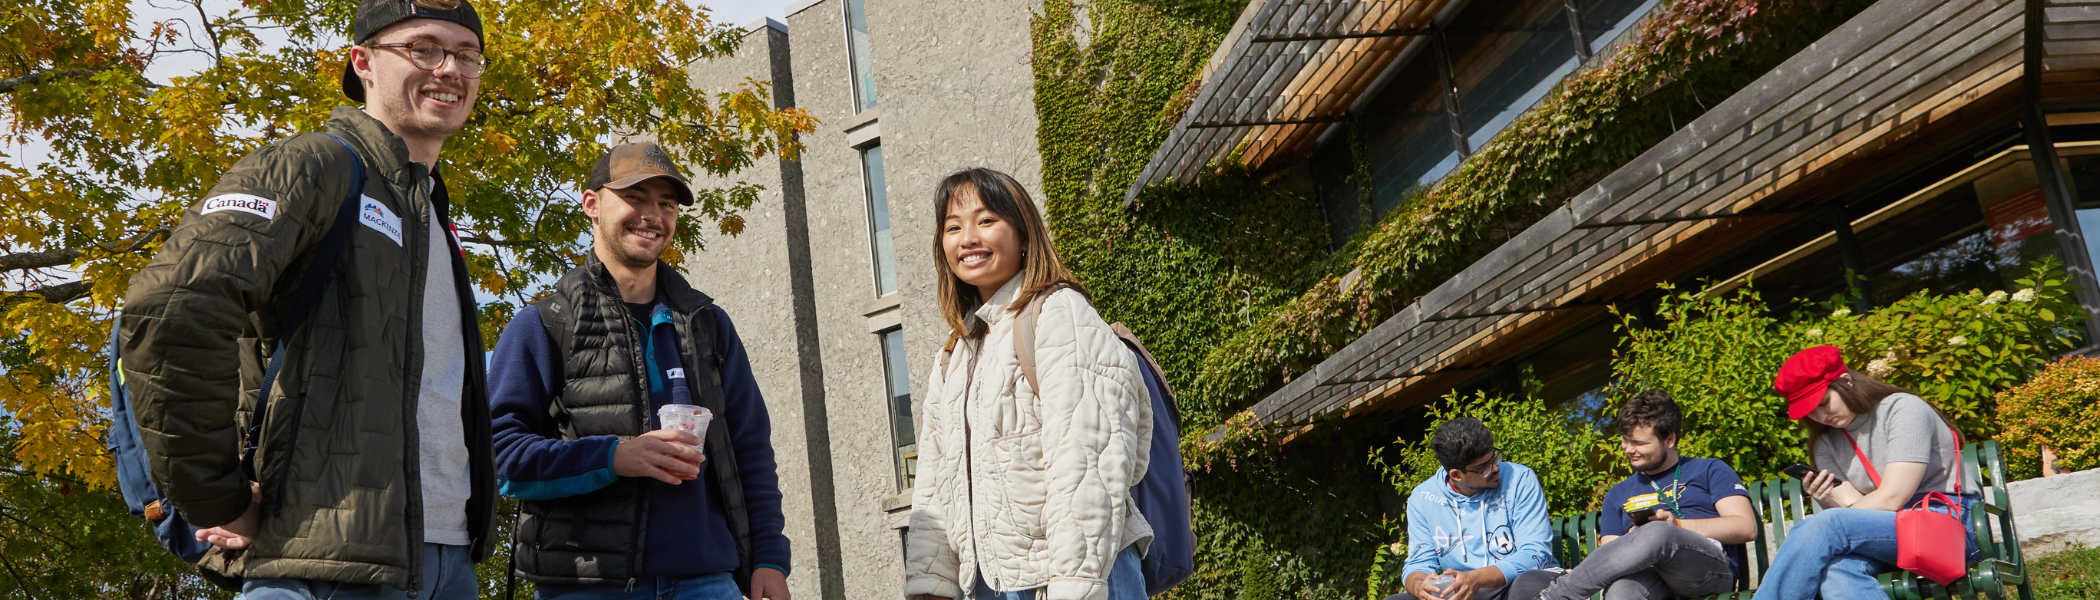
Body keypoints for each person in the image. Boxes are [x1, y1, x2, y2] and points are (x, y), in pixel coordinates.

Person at [118, 0, 497, 597]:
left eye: (467, 54)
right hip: (317, 567)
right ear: (363, 63)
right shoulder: (314, 166)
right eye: (423, 48)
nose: (450, 68)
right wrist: (216, 496)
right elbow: (171, 310)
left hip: (448, 562)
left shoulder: (430, 213)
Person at [487, 142, 792, 600]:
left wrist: (768, 559)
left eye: (666, 204)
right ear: (591, 203)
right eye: (636, 197)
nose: (652, 214)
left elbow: (750, 451)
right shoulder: (543, 326)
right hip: (584, 587)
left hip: (709, 583)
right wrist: (615, 457)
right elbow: (500, 458)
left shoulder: (709, 325)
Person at [902, 168, 1154, 600]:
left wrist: (1076, 584)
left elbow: (1088, 460)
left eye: (986, 221)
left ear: (1022, 233)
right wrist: (932, 584)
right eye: (953, 227)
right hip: (991, 586)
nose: (968, 238)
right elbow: (934, 481)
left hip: (1074, 579)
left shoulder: (1059, 314)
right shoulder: (955, 352)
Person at [1754, 345, 1980, 600]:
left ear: (1846, 381)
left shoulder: (1902, 409)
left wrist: (1833, 519)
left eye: (1824, 402)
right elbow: (1857, 507)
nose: (1820, 415)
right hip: (1890, 531)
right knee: (1835, 572)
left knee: (1824, 525)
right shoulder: (1826, 443)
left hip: (1948, 525)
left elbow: (1891, 498)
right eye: (1810, 411)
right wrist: (1827, 499)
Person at [1536, 391, 1757, 600]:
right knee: (1621, 590)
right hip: (1650, 576)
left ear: (1669, 440)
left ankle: (1555, 597)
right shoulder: (1618, 493)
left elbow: (1746, 527)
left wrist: (1676, 525)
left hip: (1706, 572)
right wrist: (1636, 538)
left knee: (1659, 531)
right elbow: (1610, 554)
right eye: (1625, 440)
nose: (1628, 449)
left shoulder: (1709, 470)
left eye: (1639, 443)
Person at [1389, 418, 1561, 600]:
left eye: (1495, 458)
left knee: (1526, 586)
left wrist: (1475, 579)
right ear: (1456, 475)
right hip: (1466, 592)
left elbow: (1535, 554)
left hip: (1520, 581)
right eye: (1483, 468)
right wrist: (1418, 586)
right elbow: (1419, 562)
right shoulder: (1423, 498)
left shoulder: (1520, 479)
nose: (1495, 468)